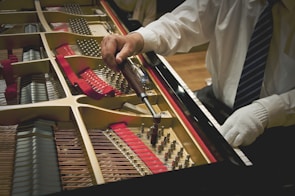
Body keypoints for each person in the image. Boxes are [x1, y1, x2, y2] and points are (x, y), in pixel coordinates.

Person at [101, 0, 295, 190]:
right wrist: (137, 39)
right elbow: (188, 20)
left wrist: (267, 112)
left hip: (282, 126)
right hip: (217, 99)